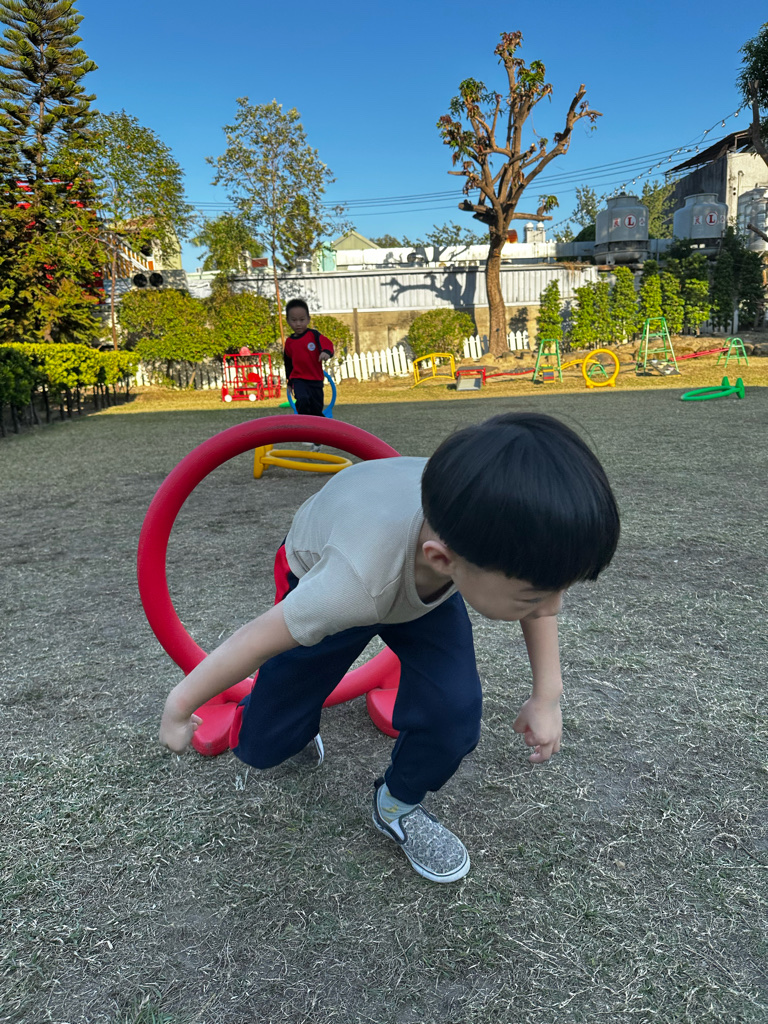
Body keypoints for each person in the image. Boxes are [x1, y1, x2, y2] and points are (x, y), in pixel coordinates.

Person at [159, 413, 620, 884]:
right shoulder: (344, 588)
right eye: (535, 596)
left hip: (413, 580)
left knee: (455, 709)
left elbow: (539, 595)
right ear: (444, 559)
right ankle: (287, 728)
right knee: (266, 741)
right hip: (332, 566)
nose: (554, 607)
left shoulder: (484, 522)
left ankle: (396, 804)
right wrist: (179, 705)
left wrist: (547, 695)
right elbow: (255, 641)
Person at [283, 298, 334, 417]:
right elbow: (288, 363)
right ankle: (303, 421)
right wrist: (289, 382)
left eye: (302, 320)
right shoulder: (289, 342)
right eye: (294, 320)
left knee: (316, 409)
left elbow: (327, 344)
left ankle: (318, 422)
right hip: (299, 379)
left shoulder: (314, 335)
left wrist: (326, 352)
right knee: (303, 399)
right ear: (288, 321)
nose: (298, 324)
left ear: (308, 319)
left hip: (316, 380)